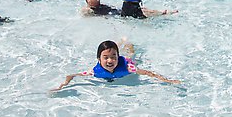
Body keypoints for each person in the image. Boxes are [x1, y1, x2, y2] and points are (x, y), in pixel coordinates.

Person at [51, 39, 180, 90]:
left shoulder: (128, 67)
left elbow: (148, 73)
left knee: (130, 54)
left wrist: (167, 80)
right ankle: (119, 43)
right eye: (105, 58)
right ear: (98, 59)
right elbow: (72, 75)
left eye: (113, 57)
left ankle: (126, 42)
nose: (110, 61)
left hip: (127, 60)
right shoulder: (94, 71)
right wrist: (62, 85)